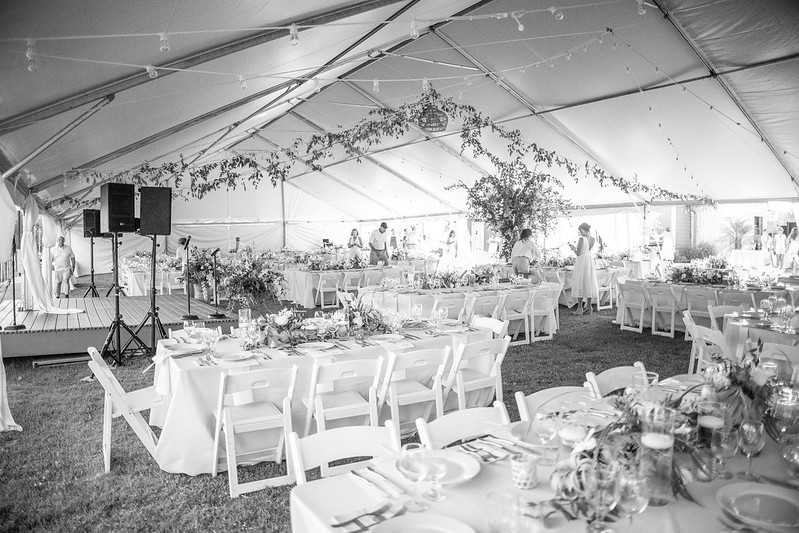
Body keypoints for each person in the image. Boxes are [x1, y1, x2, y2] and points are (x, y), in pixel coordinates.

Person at [569, 222, 599, 315]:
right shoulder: (593, 239)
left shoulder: (581, 239)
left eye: (580, 230)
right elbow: (588, 250)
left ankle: (579, 308)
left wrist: (572, 248)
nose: (580, 232)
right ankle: (589, 307)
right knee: (589, 282)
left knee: (580, 281)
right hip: (589, 261)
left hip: (582, 261)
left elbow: (578, 253)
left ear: (582, 229)